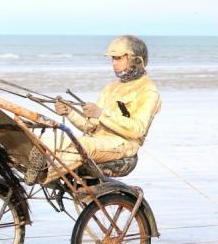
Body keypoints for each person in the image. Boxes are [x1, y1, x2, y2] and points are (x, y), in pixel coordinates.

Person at [25, 34, 161, 184]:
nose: (114, 63)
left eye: (118, 58)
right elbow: (90, 127)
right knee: (47, 142)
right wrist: (69, 112)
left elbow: (138, 130)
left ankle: (45, 176)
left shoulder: (148, 91)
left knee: (82, 146)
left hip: (123, 145)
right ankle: (35, 168)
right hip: (97, 141)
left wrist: (101, 114)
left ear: (136, 60)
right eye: (112, 59)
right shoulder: (111, 88)